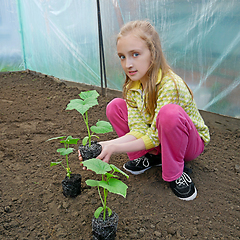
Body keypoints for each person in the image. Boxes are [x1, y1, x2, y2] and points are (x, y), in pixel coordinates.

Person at [79, 20, 210, 201]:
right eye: (122, 56)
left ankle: (175, 172)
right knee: (115, 107)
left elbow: (154, 135)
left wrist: (114, 148)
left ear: (153, 53)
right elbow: (138, 130)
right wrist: (103, 146)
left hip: (189, 144)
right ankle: (147, 157)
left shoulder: (169, 84)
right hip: (159, 136)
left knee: (169, 114)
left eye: (135, 54)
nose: (128, 64)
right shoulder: (133, 85)